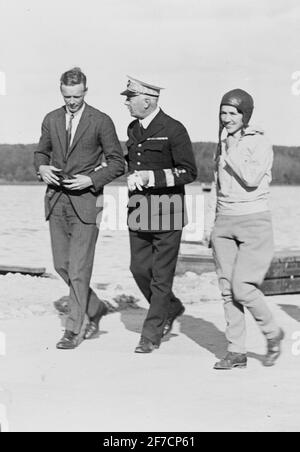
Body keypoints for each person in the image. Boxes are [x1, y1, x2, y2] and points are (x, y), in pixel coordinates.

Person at [34, 67, 125, 349]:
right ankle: (95, 307)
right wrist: (41, 166)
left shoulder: (101, 121)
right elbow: (41, 151)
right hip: (57, 202)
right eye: (67, 96)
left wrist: (92, 179)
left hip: (87, 204)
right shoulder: (51, 119)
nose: (72, 101)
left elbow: (117, 162)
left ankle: (74, 329)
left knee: (79, 268)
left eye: (76, 95)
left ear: (85, 90)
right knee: (62, 265)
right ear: (61, 91)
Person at [205, 88, 284, 369]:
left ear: (245, 115)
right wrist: (211, 226)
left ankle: (273, 334)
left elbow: (250, 178)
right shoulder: (222, 143)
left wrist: (230, 149)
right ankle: (236, 351)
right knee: (227, 289)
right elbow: (218, 187)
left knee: (243, 288)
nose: (226, 118)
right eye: (223, 113)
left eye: (233, 113)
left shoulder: (259, 142)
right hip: (224, 221)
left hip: (254, 220)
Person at [121, 76, 198, 353]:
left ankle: (150, 335)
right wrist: (131, 176)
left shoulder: (174, 129)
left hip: (167, 210)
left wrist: (151, 177)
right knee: (139, 268)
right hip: (139, 209)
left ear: (147, 100)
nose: (126, 102)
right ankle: (172, 306)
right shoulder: (133, 128)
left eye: (129, 98)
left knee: (161, 276)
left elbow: (189, 171)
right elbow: (134, 162)